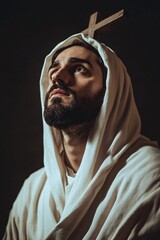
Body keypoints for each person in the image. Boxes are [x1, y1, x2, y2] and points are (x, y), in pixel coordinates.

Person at [3, 33, 160, 240]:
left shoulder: (149, 175)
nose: (57, 77)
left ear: (110, 91)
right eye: (54, 67)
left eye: (78, 68)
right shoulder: (33, 190)